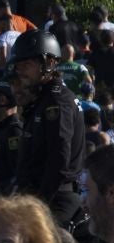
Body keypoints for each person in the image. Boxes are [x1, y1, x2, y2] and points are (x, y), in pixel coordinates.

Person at [9, 30, 88, 230]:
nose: (20, 71)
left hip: (55, 199)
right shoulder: (41, 101)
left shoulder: (57, 101)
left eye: (26, 65)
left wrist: (39, 203)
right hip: (36, 195)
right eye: (18, 66)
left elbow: (59, 159)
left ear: (49, 64)